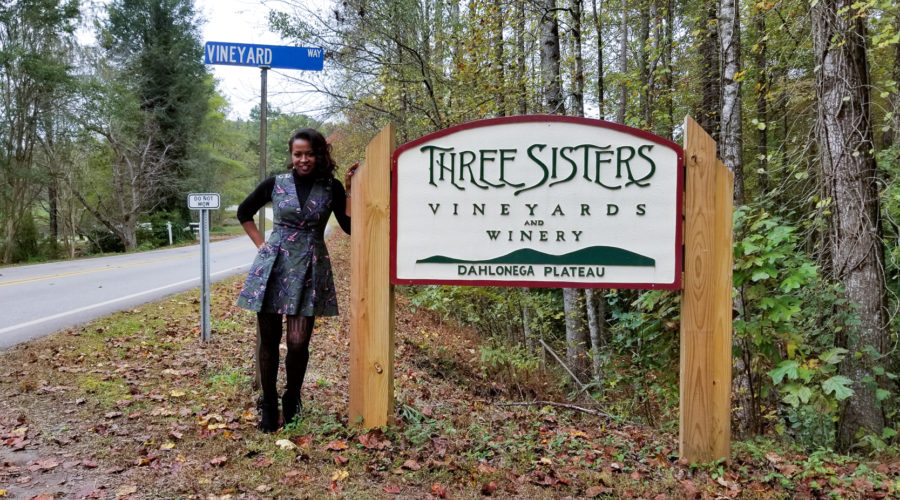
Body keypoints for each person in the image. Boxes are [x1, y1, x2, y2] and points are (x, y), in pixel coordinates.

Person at [236, 128, 358, 432]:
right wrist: (262, 245)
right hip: (274, 266)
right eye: (298, 154)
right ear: (292, 156)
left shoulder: (332, 187)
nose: (303, 159)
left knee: (298, 342)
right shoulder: (276, 184)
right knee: (268, 340)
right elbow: (244, 211)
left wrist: (354, 189)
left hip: (309, 267)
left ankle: (292, 398)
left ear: (319, 155)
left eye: (309, 154)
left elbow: (350, 226)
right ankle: (268, 402)